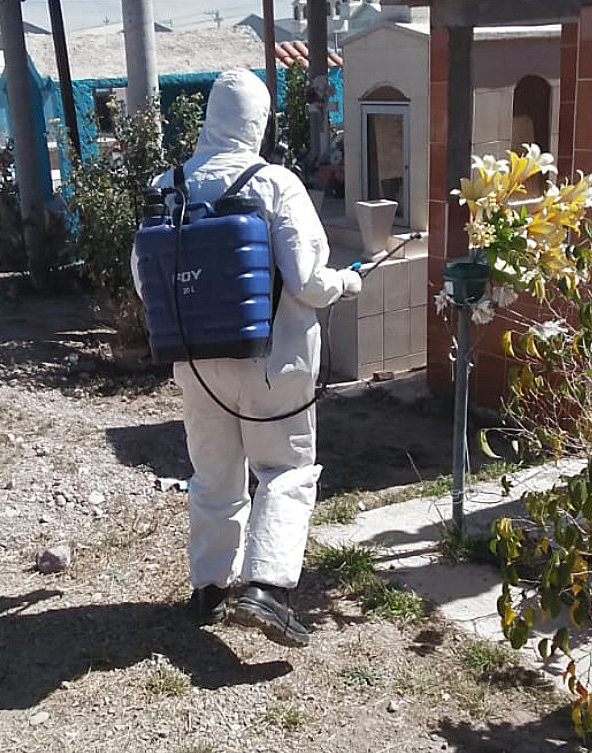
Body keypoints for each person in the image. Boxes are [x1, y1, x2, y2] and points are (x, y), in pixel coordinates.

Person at [132, 69, 362, 647]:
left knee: (213, 475)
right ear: (259, 123)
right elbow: (307, 280)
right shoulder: (275, 183)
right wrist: (345, 283)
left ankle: (209, 589)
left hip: (195, 362)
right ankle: (266, 590)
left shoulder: (168, 185)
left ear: (211, 117)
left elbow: (145, 278)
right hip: (272, 362)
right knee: (285, 470)